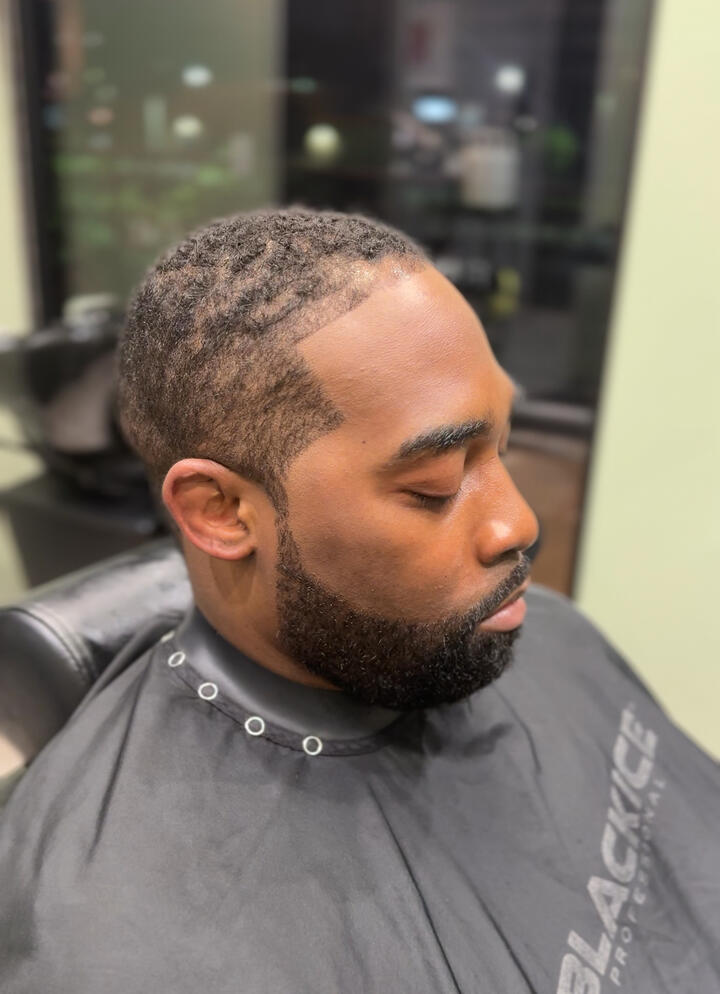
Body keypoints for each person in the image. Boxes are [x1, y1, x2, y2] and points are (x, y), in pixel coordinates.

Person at [0, 209, 718, 993]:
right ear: (221, 510)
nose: (519, 524)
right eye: (433, 486)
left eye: (502, 448)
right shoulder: (125, 950)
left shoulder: (556, 638)